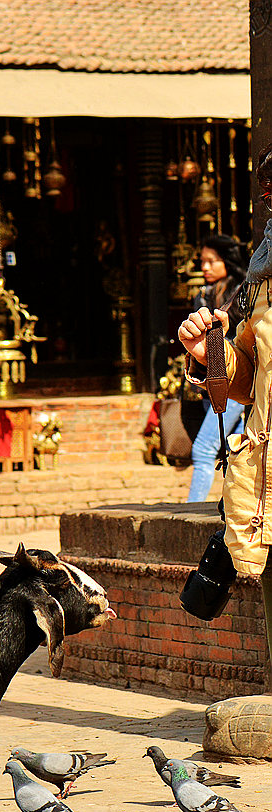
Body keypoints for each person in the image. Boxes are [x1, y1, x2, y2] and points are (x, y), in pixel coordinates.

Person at [178, 142, 272, 661]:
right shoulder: (261, 278)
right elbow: (246, 379)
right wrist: (207, 352)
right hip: (263, 486)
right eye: (269, 187)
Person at [185, 234, 248, 502]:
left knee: (203, 449)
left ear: (228, 262)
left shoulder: (240, 292)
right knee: (236, 450)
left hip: (233, 376)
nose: (205, 268)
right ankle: (231, 505)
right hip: (208, 379)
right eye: (202, 262)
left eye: (212, 261)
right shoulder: (206, 293)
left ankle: (192, 508)